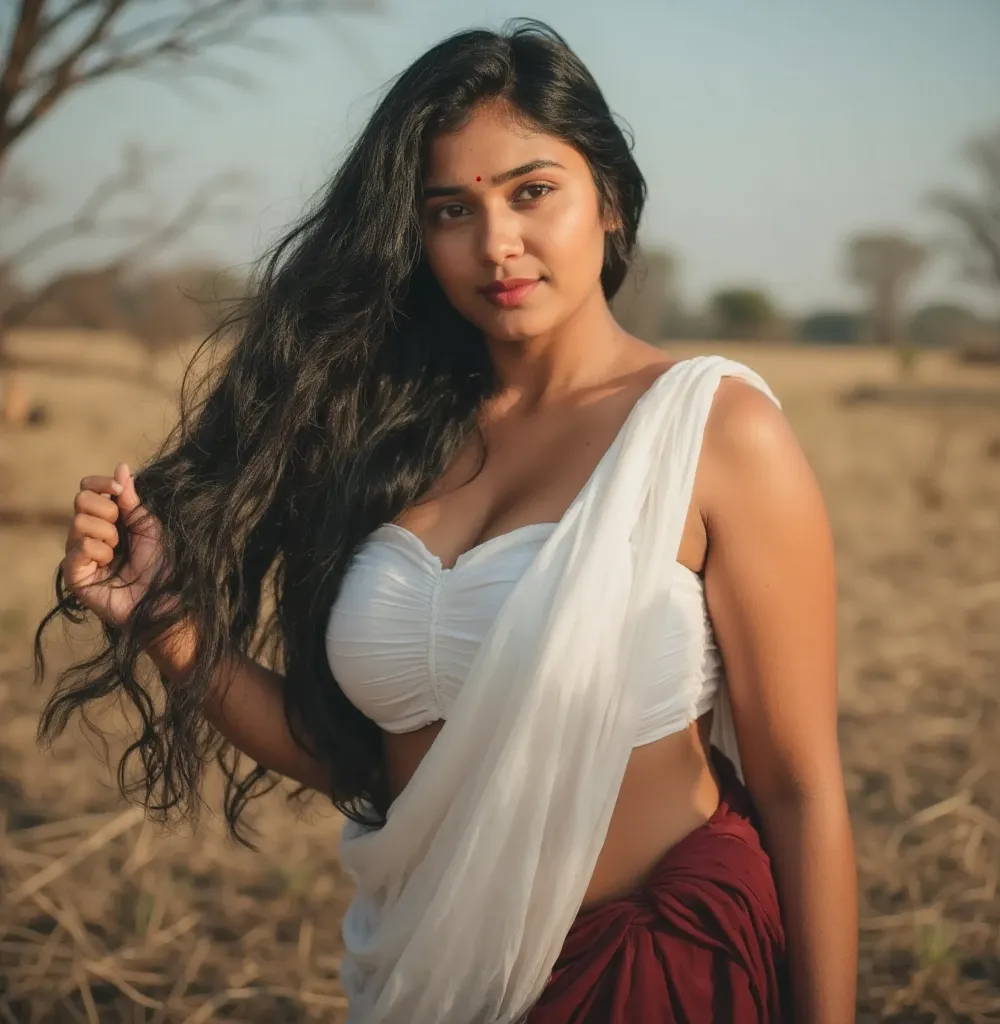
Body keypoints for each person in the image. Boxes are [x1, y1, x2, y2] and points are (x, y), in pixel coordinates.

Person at [36, 18, 857, 1024]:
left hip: (649, 974)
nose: (495, 242)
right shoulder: (385, 444)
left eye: (531, 191)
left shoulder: (712, 429)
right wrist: (165, 622)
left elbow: (800, 786)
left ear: (606, 195)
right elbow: (366, 761)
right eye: (449, 209)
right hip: (427, 976)